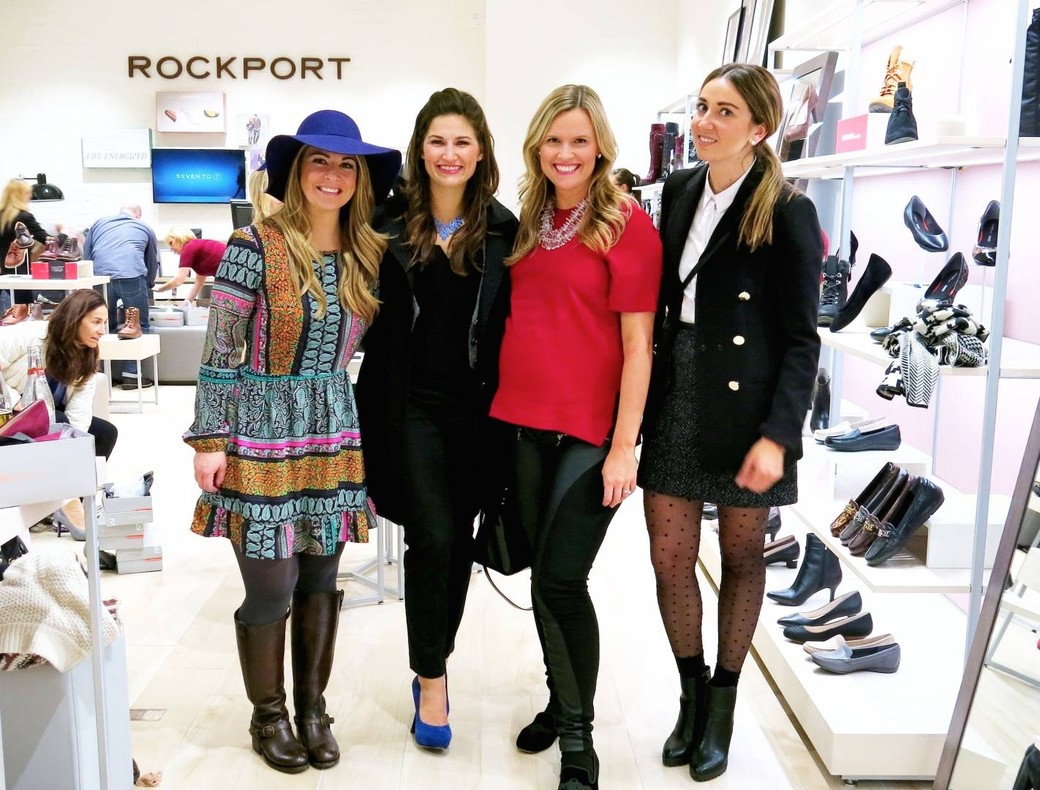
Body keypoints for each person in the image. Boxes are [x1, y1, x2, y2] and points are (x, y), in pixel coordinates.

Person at [183, 110, 400, 775]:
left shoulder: (368, 251)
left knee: (321, 577)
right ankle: (268, 714)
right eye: (318, 162)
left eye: (346, 165)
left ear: (360, 178)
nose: (332, 175)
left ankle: (313, 711)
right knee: (271, 585)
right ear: (296, 171)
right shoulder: (254, 244)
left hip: (332, 423)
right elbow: (222, 347)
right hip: (259, 427)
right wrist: (210, 439)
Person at [638, 63, 822, 782]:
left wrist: (779, 436)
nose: (704, 123)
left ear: (759, 128)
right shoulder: (680, 190)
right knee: (669, 558)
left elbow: (801, 339)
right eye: (702, 108)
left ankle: (723, 705)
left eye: (724, 112)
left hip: (748, 404)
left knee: (743, 557)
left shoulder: (787, 209)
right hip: (678, 387)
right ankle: (690, 697)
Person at [489, 84, 662, 790]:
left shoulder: (626, 224)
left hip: (591, 435)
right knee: (542, 578)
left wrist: (625, 447)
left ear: (600, 149)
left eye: (580, 141)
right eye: (554, 140)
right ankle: (562, 702)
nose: (566, 153)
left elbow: (640, 345)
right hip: (521, 423)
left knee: (563, 579)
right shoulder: (529, 220)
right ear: (537, 146)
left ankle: (579, 742)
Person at [356, 87, 517, 751]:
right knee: (434, 539)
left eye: (462, 142)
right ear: (420, 150)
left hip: (479, 415)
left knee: (458, 543)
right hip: (406, 408)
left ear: (481, 152)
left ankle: (433, 661)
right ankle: (432, 682)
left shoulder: (506, 231)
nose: (450, 154)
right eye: (438, 141)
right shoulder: (384, 223)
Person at [0, 290, 119, 539]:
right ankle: (54, 502)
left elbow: (80, 413)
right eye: (96, 322)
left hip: (43, 418)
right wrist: (13, 399)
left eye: (104, 323)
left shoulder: (87, 355)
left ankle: (68, 499)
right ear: (75, 318)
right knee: (58, 421)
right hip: (8, 415)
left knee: (102, 433)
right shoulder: (31, 334)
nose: (102, 330)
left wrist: (74, 448)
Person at [83, 204, 159, 388]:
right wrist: (149, 284)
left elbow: (87, 253)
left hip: (100, 277)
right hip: (131, 276)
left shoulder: (99, 223)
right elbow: (152, 261)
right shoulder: (144, 227)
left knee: (100, 325)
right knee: (138, 324)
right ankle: (131, 375)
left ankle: (100, 374)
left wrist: (90, 280)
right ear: (138, 214)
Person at [0, 179, 49, 312]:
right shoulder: (24, 217)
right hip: (17, 271)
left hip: (2, 270)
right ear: (20, 195)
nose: (30, 197)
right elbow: (45, 238)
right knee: (22, 311)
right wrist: (63, 235)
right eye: (27, 193)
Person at [154, 226, 228, 306]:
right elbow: (199, 283)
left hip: (231, 271)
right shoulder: (196, 249)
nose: (171, 249)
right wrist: (185, 305)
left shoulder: (189, 247)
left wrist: (160, 289)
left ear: (179, 237)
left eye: (171, 243)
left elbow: (178, 280)